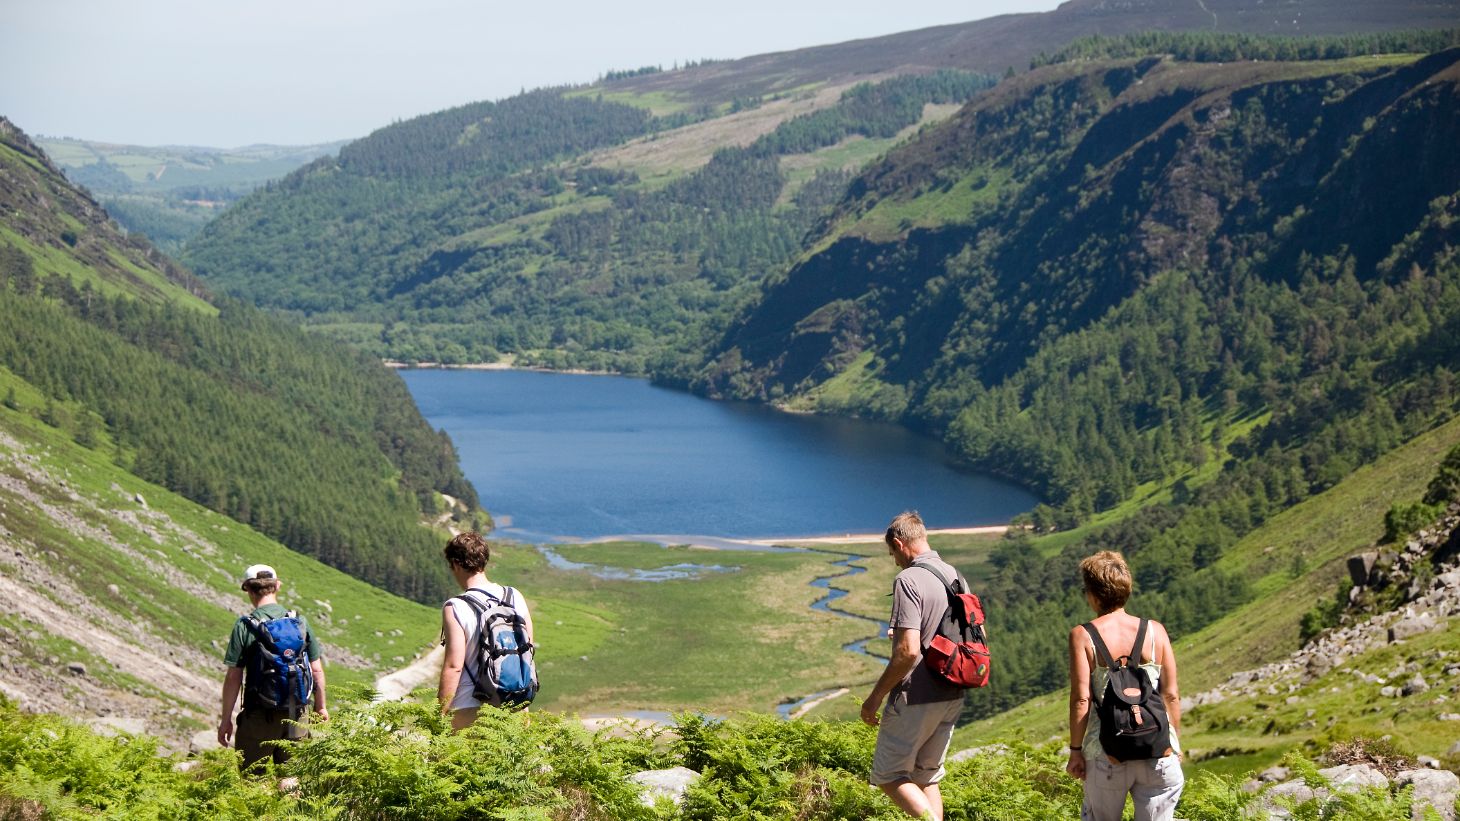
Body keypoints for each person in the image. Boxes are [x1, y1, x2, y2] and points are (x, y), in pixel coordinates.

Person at [860, 511, 970, 821]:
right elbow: (975, 636)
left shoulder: (908, 579)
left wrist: (875, 698)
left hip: (916, 695)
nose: (895, 560)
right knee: (926, 776)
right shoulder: (956, 576)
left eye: (892, 553)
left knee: (888, 775)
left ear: (899, 543)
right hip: (952, 693)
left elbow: (907, 652)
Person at [1066, 550, 1184, 821]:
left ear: (1093, 594)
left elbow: (1081, 699)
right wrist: (1174, 743)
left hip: (1106, 752)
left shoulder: (1083, 635)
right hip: (1158, 751)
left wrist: (1075, 752)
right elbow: (1171, 695)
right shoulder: (1156, 631)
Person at [217, 564, 328, 769]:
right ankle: (290, 801)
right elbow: (317, 670)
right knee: (290, 776)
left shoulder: (245, 626)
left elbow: (234, 677)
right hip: (297, 714)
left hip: (259, 715)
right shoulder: (299, 622)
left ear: (248, 590)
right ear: (277, 586)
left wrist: (226, 720)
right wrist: (320, 707)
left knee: (252, 777)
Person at [438, 531, 535, 730]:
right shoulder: (514, 596)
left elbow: (454, 666)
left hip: (469, 708)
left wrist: (438, 716)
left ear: (456, 564)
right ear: (484, 561)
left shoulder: (455, 606)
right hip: (515, 705)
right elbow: (528, 649)